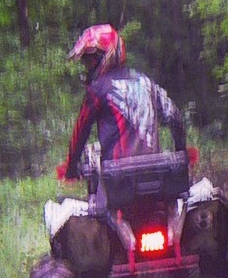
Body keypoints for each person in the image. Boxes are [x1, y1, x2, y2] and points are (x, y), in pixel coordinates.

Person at [59, 24, 187, 182]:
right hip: (154, 177)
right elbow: (174, 116)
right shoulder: (146, 82)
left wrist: (71, 168)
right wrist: (182, 155)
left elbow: (80, 132)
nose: (88, 66)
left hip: (118, 183)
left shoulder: (98, 89)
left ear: (106, 56)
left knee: (96, 205)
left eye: (90, 60)